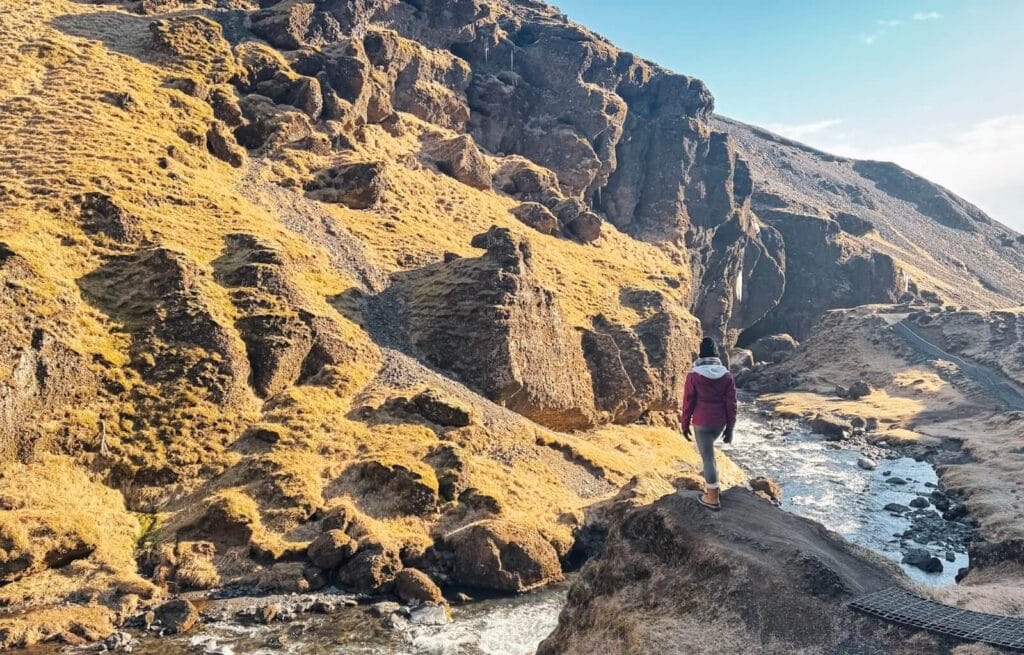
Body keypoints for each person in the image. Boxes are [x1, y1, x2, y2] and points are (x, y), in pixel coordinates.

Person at [680, 336, 737, 510]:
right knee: (710, 456)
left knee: (708, 459)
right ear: (716, 355)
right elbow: (731, 404)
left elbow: (688, 402)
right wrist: (730, 428)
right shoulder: (726, 376)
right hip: (719, 423)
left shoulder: (693, 376)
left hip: (701, 423)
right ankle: (714, 489)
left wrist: (684, 425)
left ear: (701, 354)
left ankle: (712, 498)